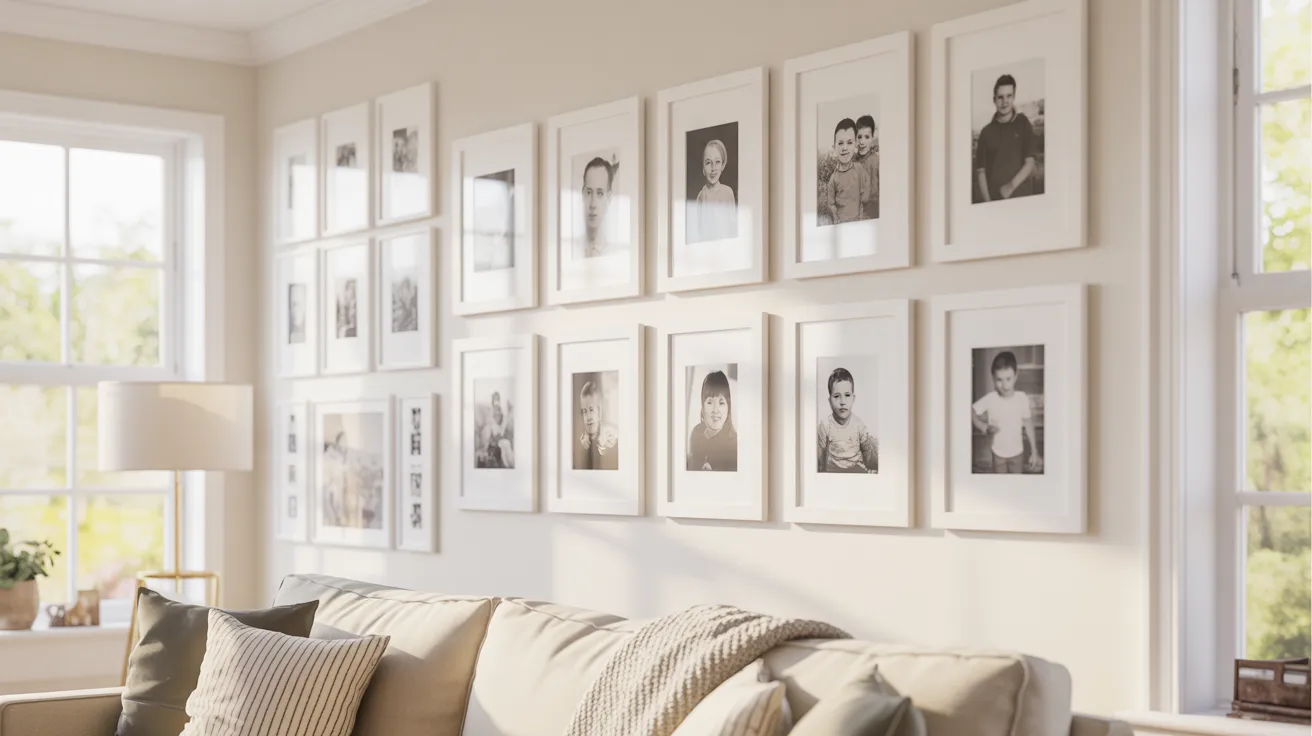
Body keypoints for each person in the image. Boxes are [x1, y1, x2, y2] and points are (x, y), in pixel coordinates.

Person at [971, 351, 1042, 473]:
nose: (1004, 385)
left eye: (1008, 379)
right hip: (997, 454)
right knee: (1000, 485)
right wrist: (983, 426)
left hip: (1017, 453)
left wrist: (1034, 452)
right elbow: (971, 411)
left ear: (1016, 376)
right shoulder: (990, 398)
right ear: (993, 378)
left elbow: (1028, 424)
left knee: (1016, 485)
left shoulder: (1022, 398)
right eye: (999, 379)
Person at [974, 74, 1039, 203]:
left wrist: (1011, 186)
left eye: (1009, 96)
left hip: (1023, 198)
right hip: (996, 200)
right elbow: (981, 173)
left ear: (1014, 97)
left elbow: (1030, 163)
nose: (1005, 101)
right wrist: (988, 204)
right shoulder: (986, 132)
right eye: (1000, 97)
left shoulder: (1022, 122)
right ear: (994, 100)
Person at [816, 367, 878, 473]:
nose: (842, 401)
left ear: (853, 399)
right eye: (836, 396)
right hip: (833, 470)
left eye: (847, 395)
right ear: (829, 401)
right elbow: (819, 458)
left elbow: (869, 459)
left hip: (856, 468)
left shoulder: (859, 425)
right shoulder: (825, 425)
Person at [687, 139, 737, 243]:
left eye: (717, 162)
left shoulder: (728, 192)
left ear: (723, 165)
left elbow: (733, 228)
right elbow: (698, 232)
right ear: (703, 168)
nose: (713, 168)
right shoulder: (701, 197)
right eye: (708, 163)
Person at [687, 370, 737, 471]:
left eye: (721, 403)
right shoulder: (696, 433)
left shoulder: (734, 445)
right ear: (703, 406)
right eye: (710, 402)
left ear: (728, 407)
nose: (715, 410)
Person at [825, 119, 871, 224]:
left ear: (855, 147)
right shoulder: (833, 179)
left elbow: (867, 182)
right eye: (840, 143)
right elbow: (831, 203)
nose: (845, 148)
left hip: (858, 220)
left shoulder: (859, 168)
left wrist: (864, 198)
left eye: (849, 143)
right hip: (842, 222)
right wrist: (835, 218)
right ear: (834, 149)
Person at [576, 380, 619, 470]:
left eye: (591, 410)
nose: (588, 417)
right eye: (584, 411)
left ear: (599, 412)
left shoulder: (610, 437)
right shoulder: (582, 441)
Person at [580, 157, 615, 258]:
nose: (592, 204)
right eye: (589, 192)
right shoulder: (570, 249)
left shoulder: (614, 255)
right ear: (583, 194)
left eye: (599, 193)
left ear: (608, 198)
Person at [855, 115, 879, 219]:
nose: (862, 141)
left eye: (867, 137)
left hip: (872, 214)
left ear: (872, 138)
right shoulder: (852, 162)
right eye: (859, 137)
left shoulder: (877, 162)